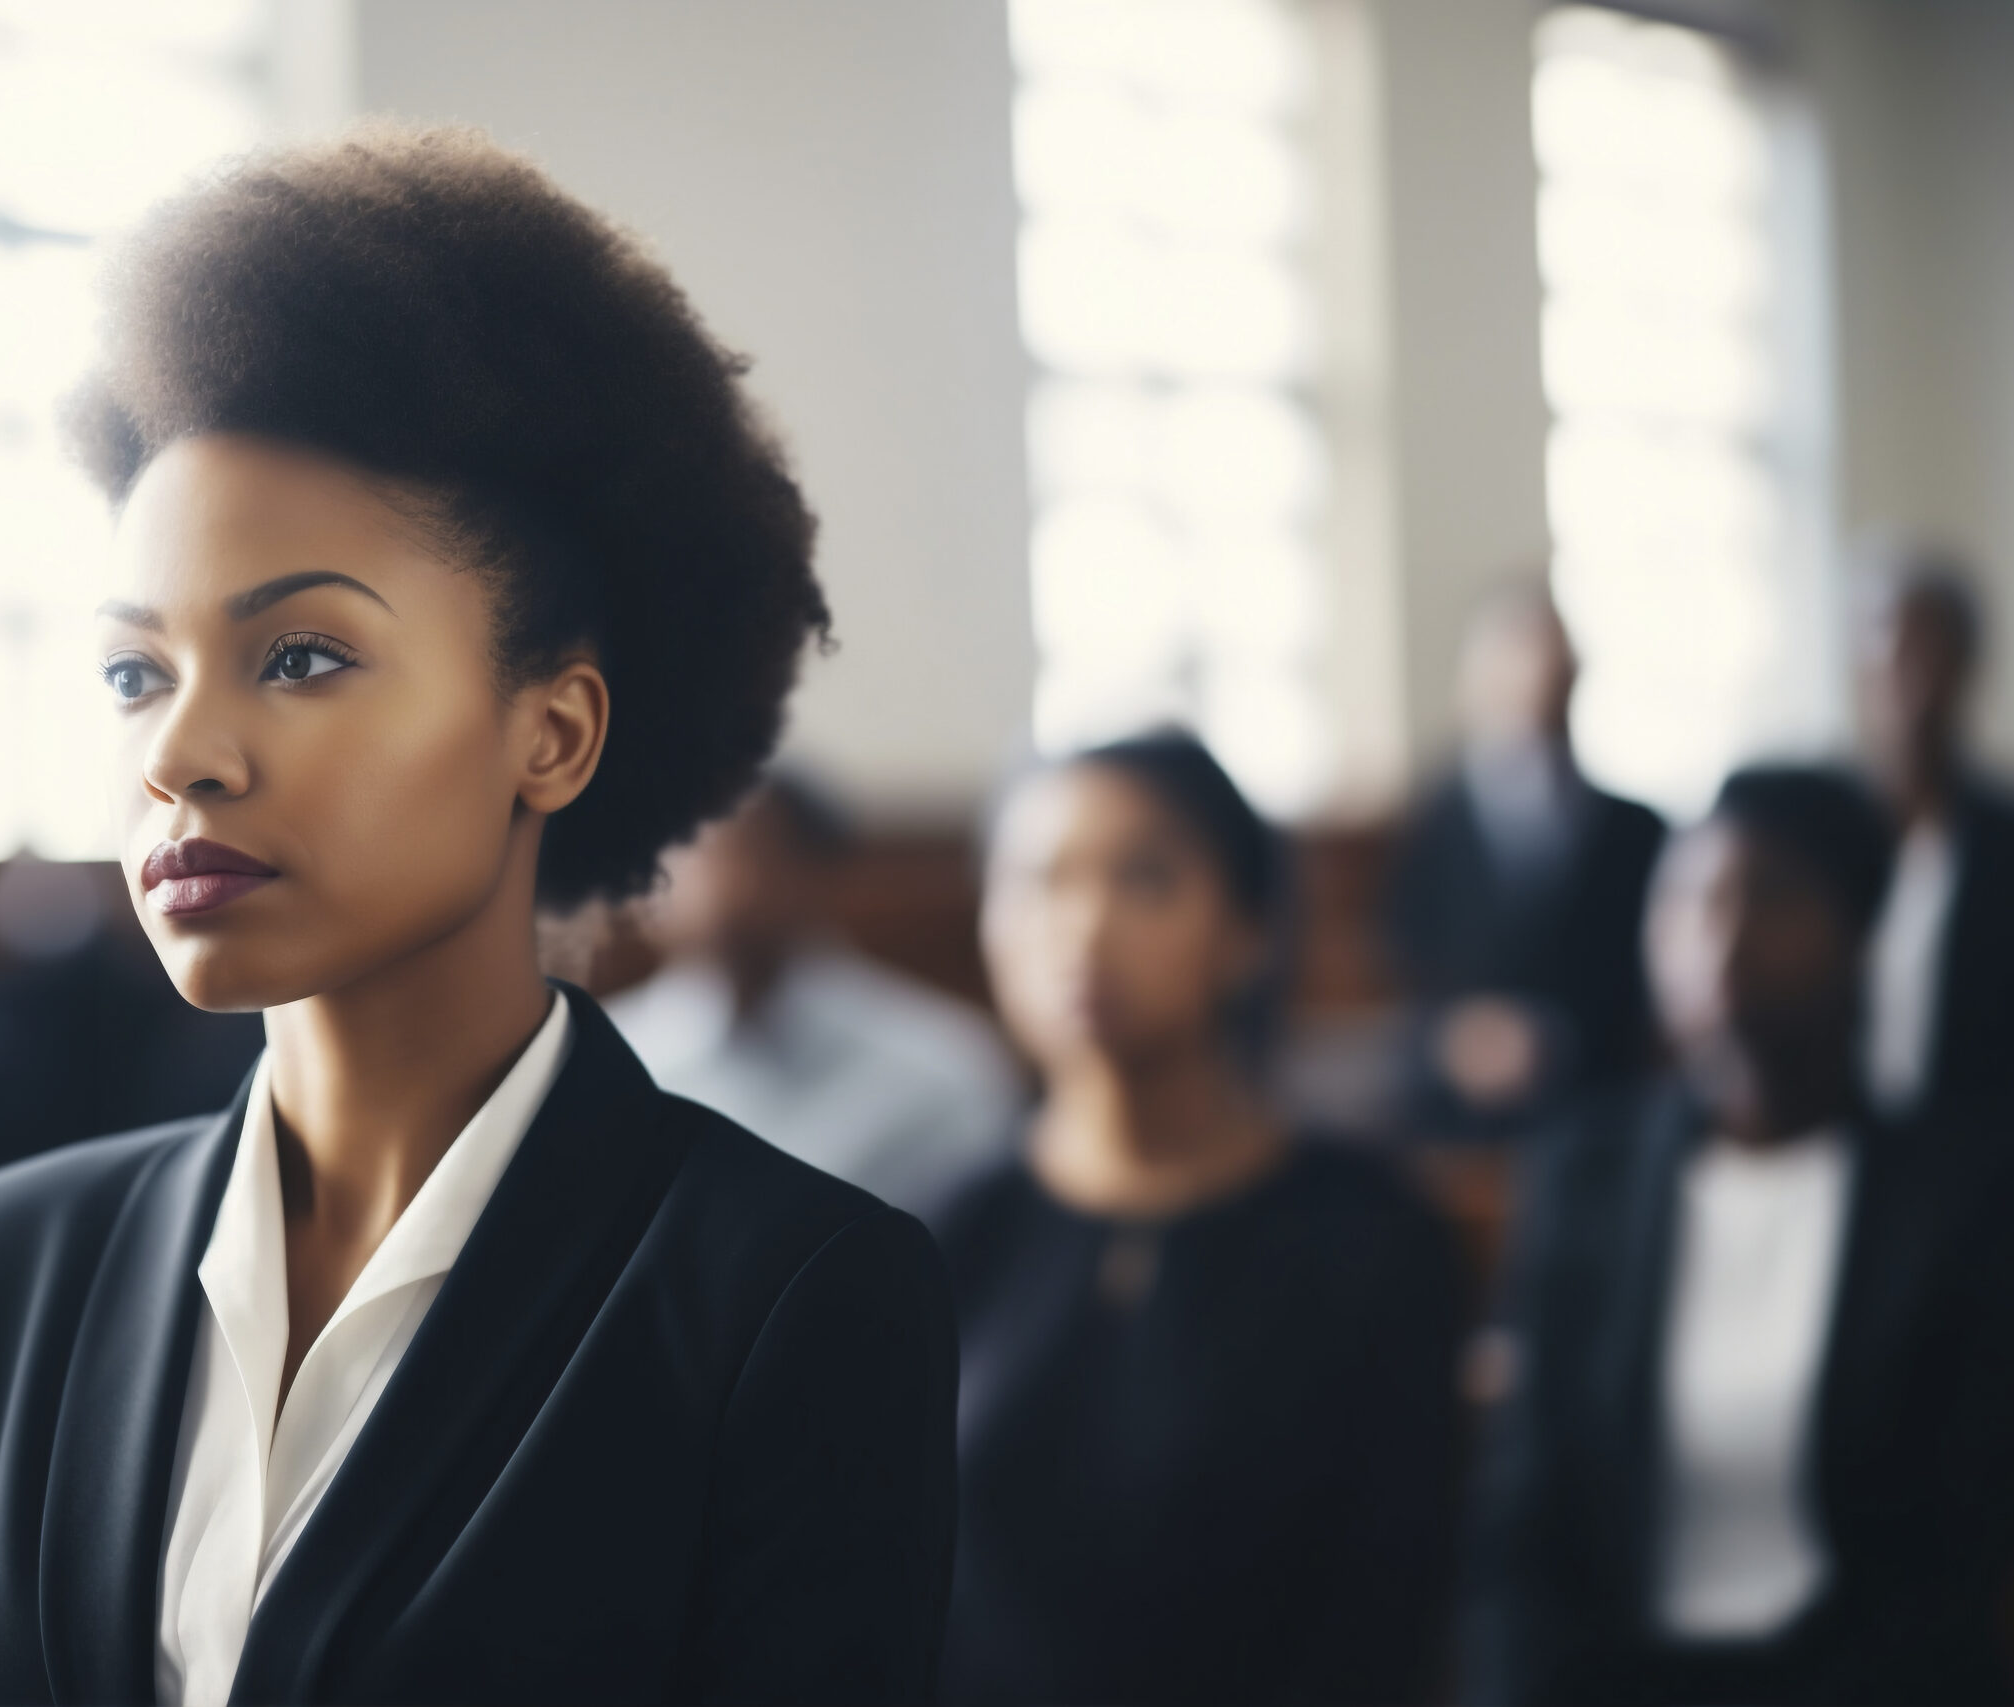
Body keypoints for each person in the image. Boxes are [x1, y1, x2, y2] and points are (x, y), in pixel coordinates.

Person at [0, 125, 957, 1707]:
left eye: (301, 656)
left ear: (549, 733)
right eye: (137, 671)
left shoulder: (789, 1301)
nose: (180, 754)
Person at [1465, 766, 2014, 1707]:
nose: (1721, 939)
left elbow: (1959, 1557)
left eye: (1771, 896)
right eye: (1691, 900)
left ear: (1860, 929)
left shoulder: (1961, 1198)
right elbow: (1529, 1529)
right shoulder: (1585, 1181)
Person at [932, 732, 1467, 1706]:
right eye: (1039, 881)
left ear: (1247, 930)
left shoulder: (1375, 1240)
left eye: (1143, 878)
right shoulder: (935, 1239)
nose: (1082, 928)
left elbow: (1392, 1610)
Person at [609, 772, 1021, 1217]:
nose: (715, 878)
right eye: (686, 850)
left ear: (817, 871)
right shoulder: (599, 1063)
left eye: (748, 852)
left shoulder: (943, 1067)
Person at [1382, 583, 1665, 1137]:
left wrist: (1557, 1040)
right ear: (1473, 680)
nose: (1535, 676)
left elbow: (1649, 988)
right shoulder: (1425, 827)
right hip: (1457, 1118)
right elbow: (1401, 970)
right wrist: (1457, 1040)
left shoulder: (1636, 831)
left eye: (1549, 657)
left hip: (1598, 1110)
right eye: (1514, 654)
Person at [1852, 541, 2014, 1193]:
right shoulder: (1832, 832)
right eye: (1891, 646)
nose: (1911, 675)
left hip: (1984, 1183)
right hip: (1851, 1176)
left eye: (1932, 648)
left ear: (1969, 667)